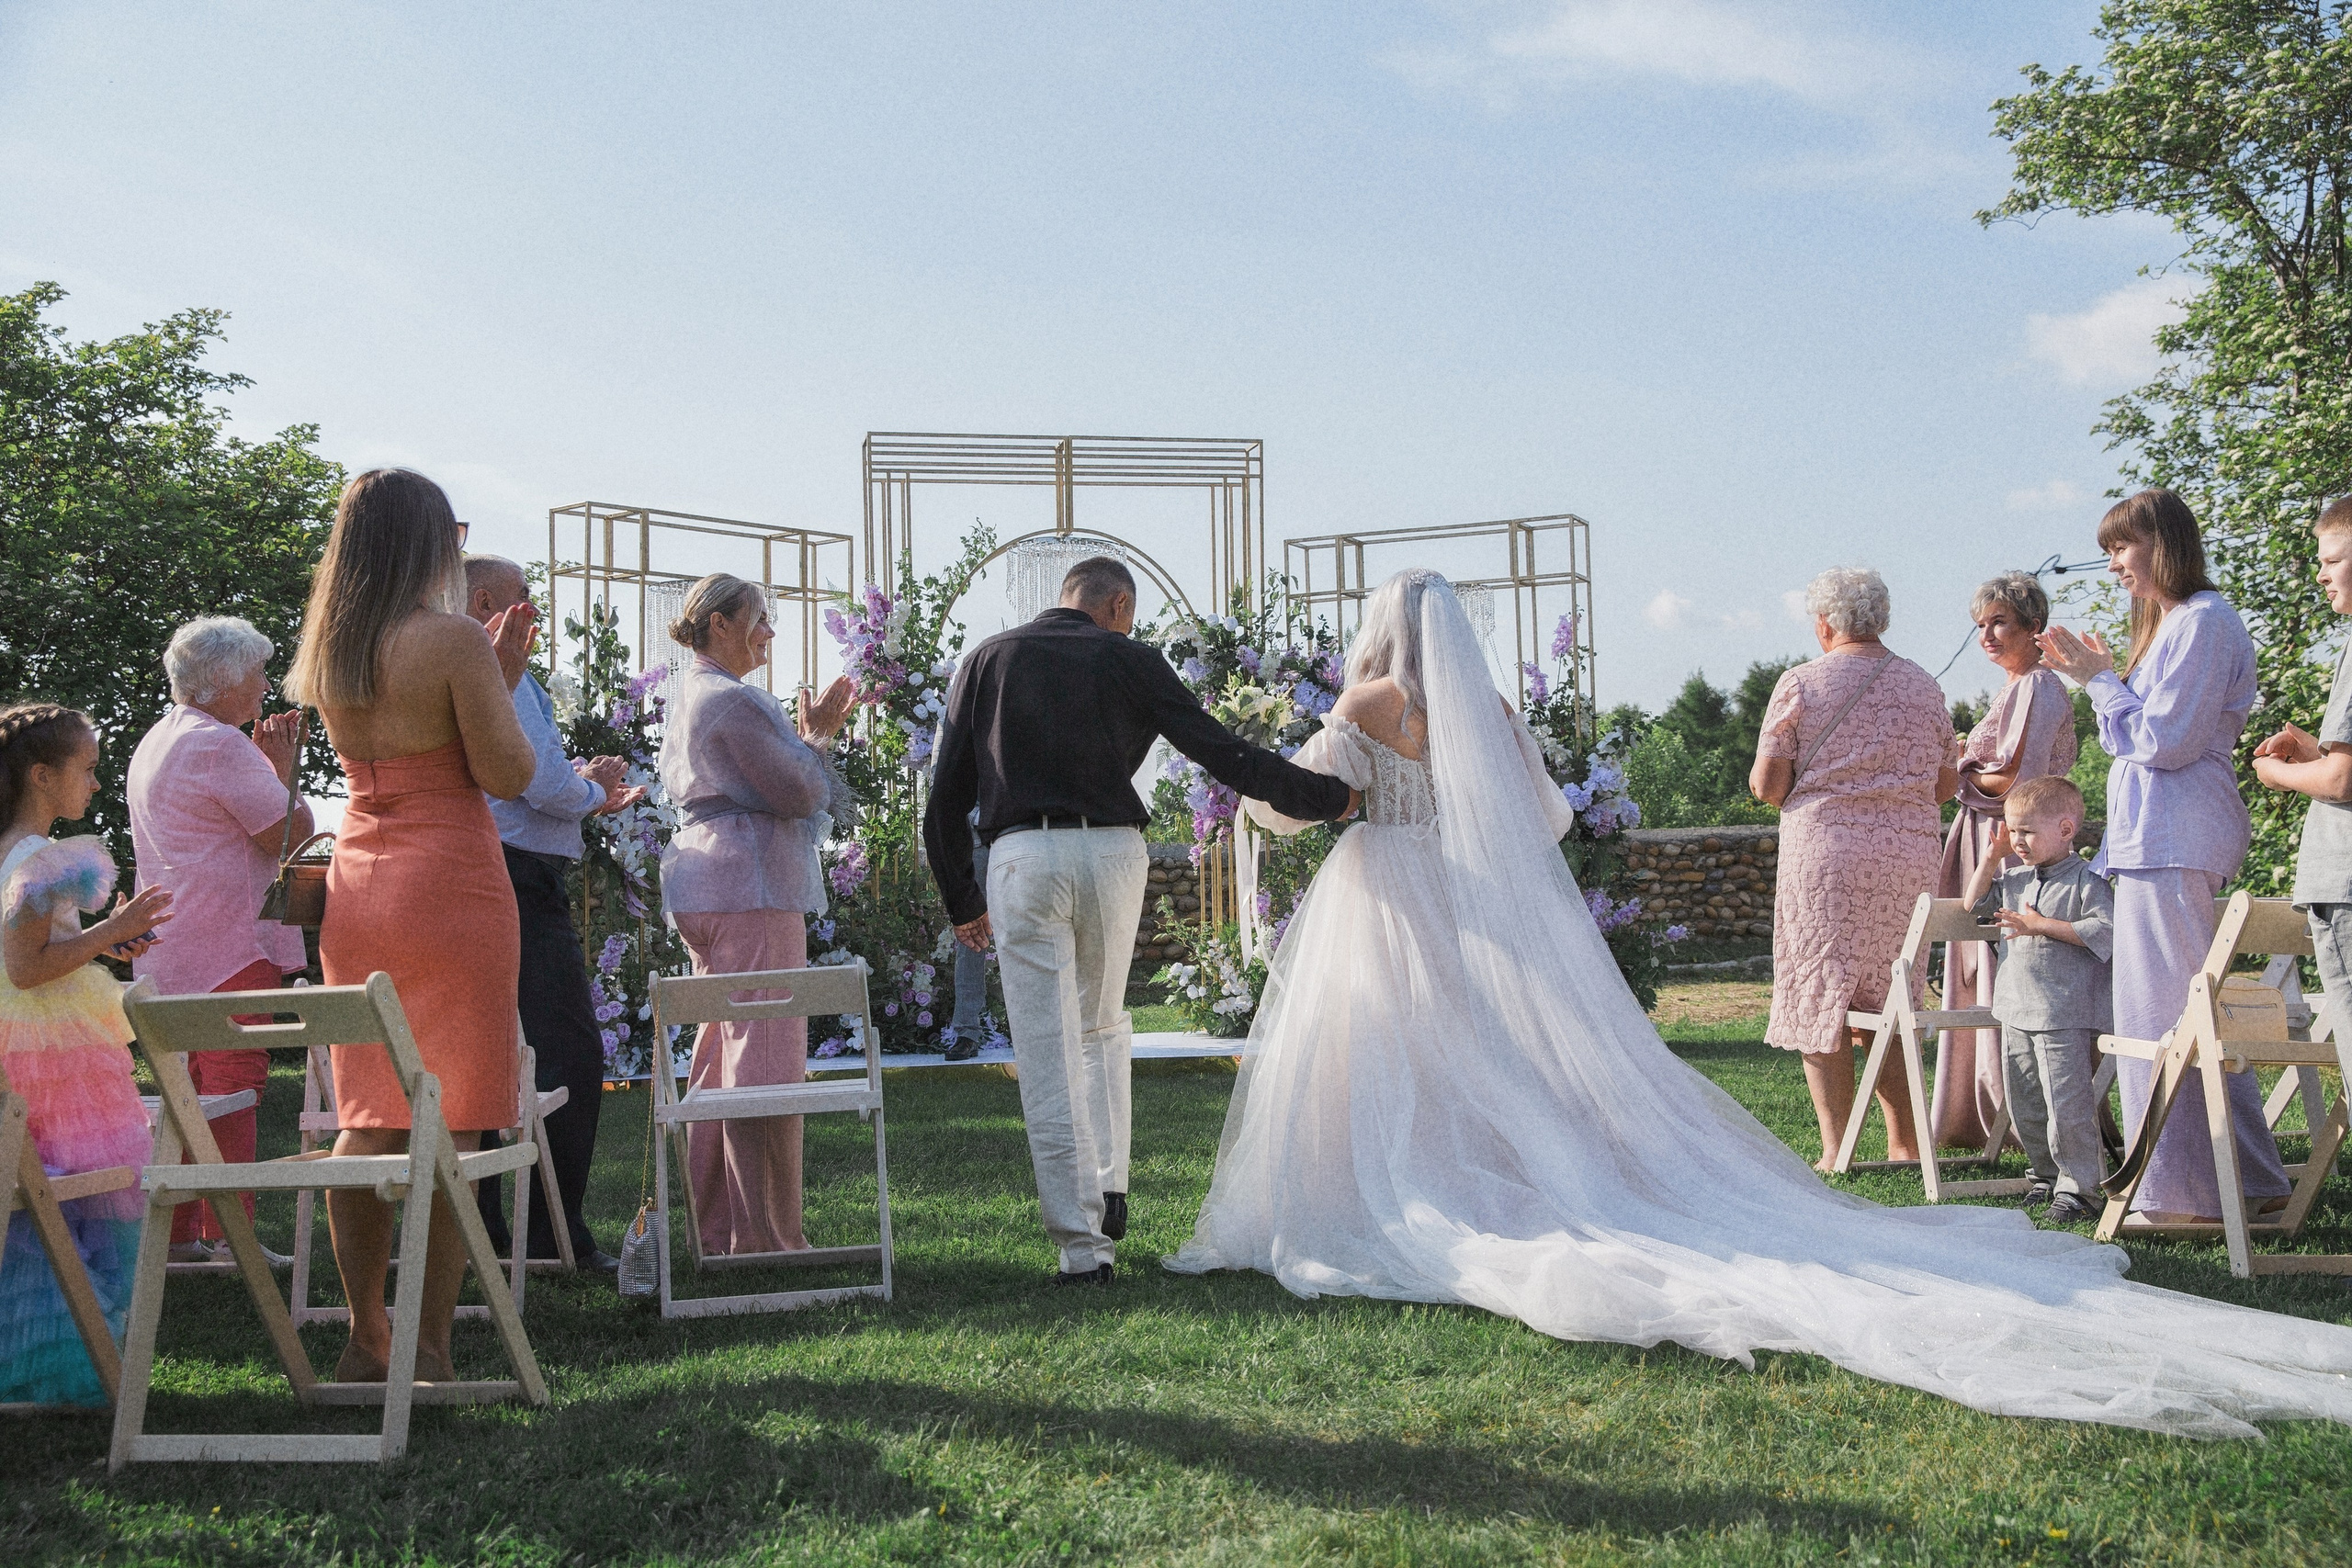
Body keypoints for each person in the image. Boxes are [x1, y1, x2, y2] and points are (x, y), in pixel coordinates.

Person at [1168, 568, 2352, 1439]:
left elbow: (1291, 806)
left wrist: (1297, 794)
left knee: (1392, 1050)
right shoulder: (1491, 716)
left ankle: (1408, 1180)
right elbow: (1547, 823)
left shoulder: (1371, 700)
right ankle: (1862, 1144)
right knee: (1496, 1050)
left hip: (1398, 894)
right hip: (1491, 896)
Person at [923, 558, 1356, 1286]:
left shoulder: (987, 658)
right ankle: (1110, 1183)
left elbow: (945, 795)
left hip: (1022, 855)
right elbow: (1224, 753)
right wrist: (1328, 795)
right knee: (1102, 1025)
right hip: (1113, 853)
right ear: (1117, 603)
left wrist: (963, 898)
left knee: (1047, 1047)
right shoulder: (1129, 658)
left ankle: (1083, 1247)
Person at [284, 468, 538, 1384]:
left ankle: (364, 1336)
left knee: (369, 1110)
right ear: (431, 544)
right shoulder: (452, 640)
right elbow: (505, 774)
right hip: (453, 886)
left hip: (362, 884)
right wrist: (499, 675)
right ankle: (430, 1347)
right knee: (454, 1111)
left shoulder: (329, 649)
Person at [2039, 489, 2291, 1224]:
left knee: (2164, 1017)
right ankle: (2248, 1175)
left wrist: (2099, 681)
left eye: (2124, 545)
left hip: (2176, 836)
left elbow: (2164, 741)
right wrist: (2107, 682)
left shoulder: (2204, 622)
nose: (2114, 562)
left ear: (2165, 543)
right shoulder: (2181, 623)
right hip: (2163, 835)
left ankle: (2183, 1192)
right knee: (2192, 1010)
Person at [658, 573, 856, 1258]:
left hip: (713, 887)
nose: (769, 633)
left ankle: (720, 1230)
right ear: (719, 624)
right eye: (758, 620)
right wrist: (818, 738)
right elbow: (801, 789)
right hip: (751, 887)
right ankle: (766, 1236)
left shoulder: (695, 694)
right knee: (766, 1055)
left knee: (721, 1051)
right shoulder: (730, 700)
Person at [460, 555, 643, 1275]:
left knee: (486, 1050)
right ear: (483, 601)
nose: (533, 613)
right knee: (568, 1049)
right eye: (524, 600)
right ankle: (550, 1236)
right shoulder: (489, 670)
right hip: (516, 873)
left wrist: (583, 789)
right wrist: (591, 788)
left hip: (489, 869)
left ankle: (489, 1232)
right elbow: (533, 779)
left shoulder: (475, 669)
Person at [1748, 567, 1958, 1168]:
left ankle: (1837, 1146)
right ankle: (1905, 1143)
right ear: (1881, 620)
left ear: (1824, 623)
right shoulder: (1924, 686)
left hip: (1828, 861)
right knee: (1892, 993)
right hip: (1907, 862)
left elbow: (1768, 783)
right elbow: (1944, 781)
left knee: (1822, 993)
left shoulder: (1801, 683)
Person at [0, 704, 175, 1406]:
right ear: (43, 775)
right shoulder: (44, 859)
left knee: (31, 1201)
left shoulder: (15, 850)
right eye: (89, 768)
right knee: (66, 1196)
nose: (97, 784)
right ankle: (60, 1360)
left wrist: (107, 939)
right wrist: (110, 930)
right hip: (48, 1052)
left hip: (24, 1041)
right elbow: (25, 967)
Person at [126, 615, 312, 1267]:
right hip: (228, 946)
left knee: (187, 1087)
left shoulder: (156, 739)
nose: (265, 686)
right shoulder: (221, 745)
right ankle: (231, 1234)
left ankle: (179, 1236)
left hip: (169, 947)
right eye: (257, 673)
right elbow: (288, 834)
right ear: (222, 682)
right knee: (234, 1085)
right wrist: (283, 766)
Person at [1933, 572, 2079, 1150]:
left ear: (2031, 627)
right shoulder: (2014, 687)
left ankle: (2018, 1116)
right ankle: (1973, 1110)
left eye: (1999, 623)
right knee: (1976, 964)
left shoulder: (2039, 686)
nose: (1987, 636)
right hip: (1986, 828)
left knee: (2007, 962)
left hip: (2013, 835)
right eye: (1980, 626)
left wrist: (1960, 769)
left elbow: (2022, 777)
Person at [1961, 775, 2112, 1227]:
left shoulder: (2088, 881)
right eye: (2011, 830)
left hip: (2063, 1013)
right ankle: (2045, 1177)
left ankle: (2081, 1190)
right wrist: (1991, 857)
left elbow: (2104, 932)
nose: (2017, 840)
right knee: (2026, 1103)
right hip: (2016, 1008)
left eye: (2026, 831)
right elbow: (1972, 906)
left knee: (2066, 1105)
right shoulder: (2015, 878)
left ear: (2065, 829)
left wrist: (2040, 926)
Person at [2253, 495, 2352, 1128]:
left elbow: (2342, 779)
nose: (2320, 574)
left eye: (2334, 559)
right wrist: (2316, 748)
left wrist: (2282, 773)